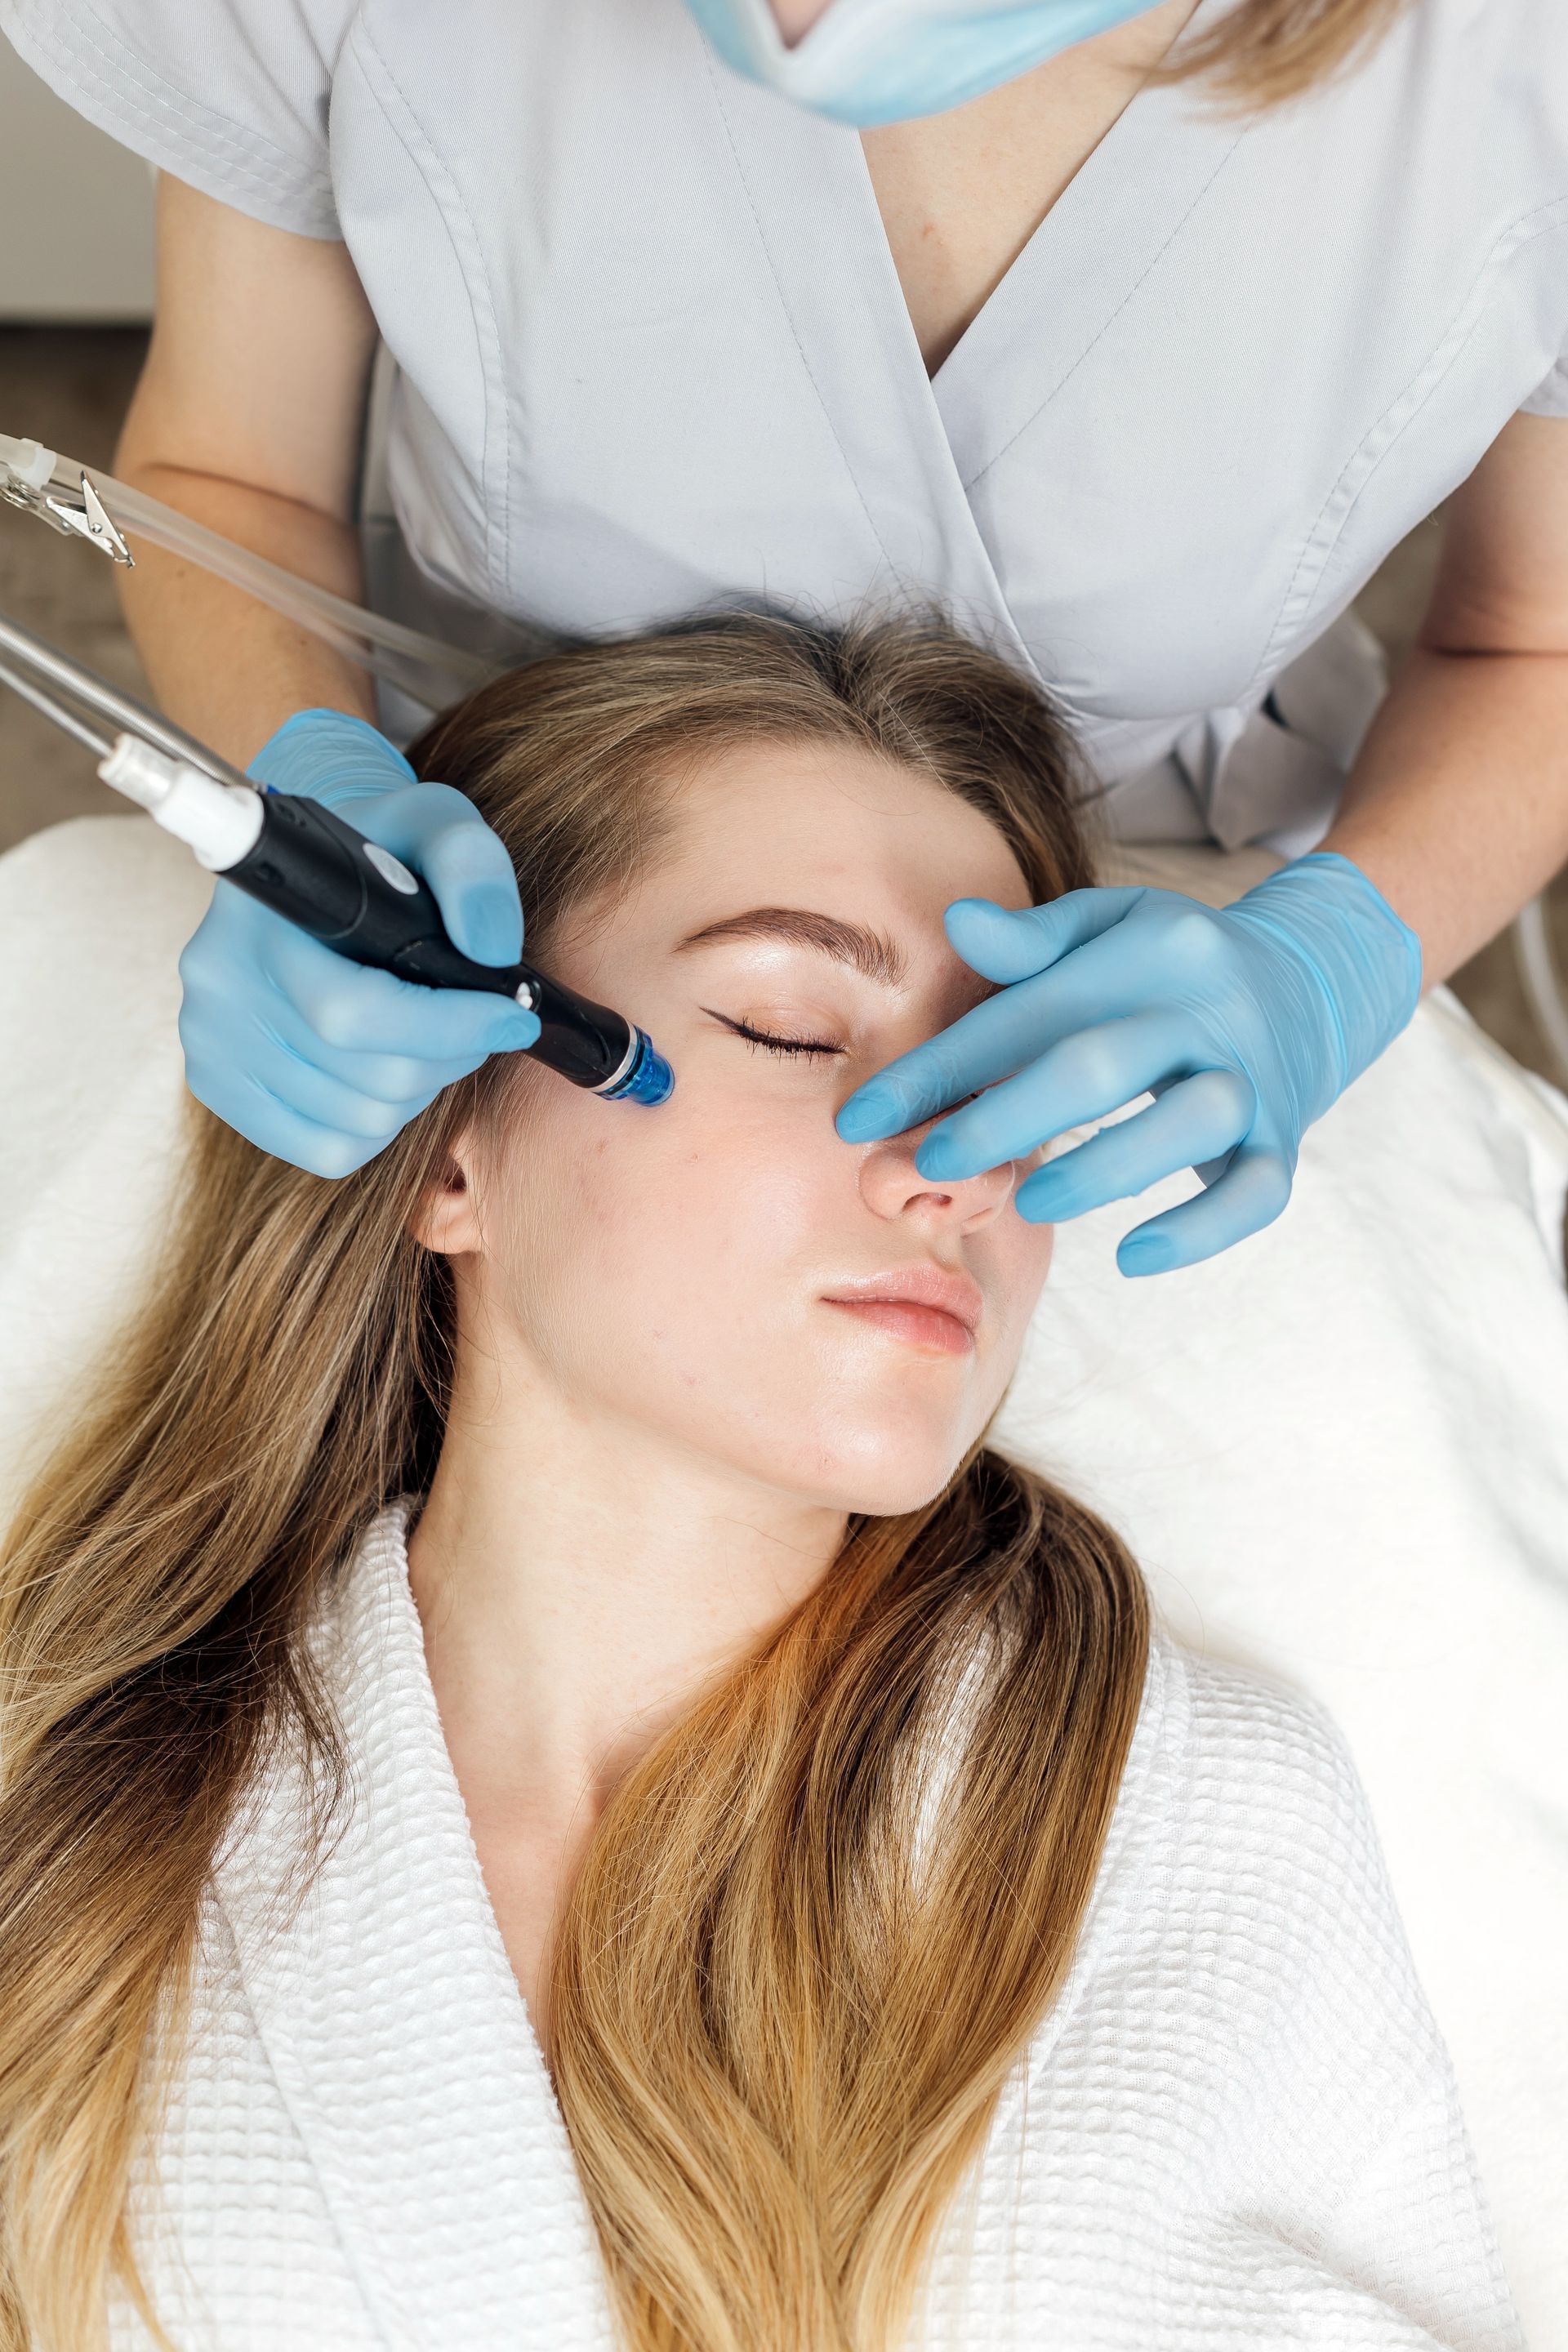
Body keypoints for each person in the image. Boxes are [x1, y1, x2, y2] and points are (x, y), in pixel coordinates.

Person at [0, 618, 1519, 2351]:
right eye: (795, 1026)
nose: (952, 1165)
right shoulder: (81, 1835)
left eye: (1015, 1080)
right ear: (448, 1146)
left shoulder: (1199, 1826)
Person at [2, 0, 1566, 1274]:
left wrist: (1337, 956)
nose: (934, 1186)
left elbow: (1535, 646)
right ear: (450, 1191)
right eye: (774, 1026)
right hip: (475, 809)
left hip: (1159, 860)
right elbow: (226, 479)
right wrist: (305, 755)